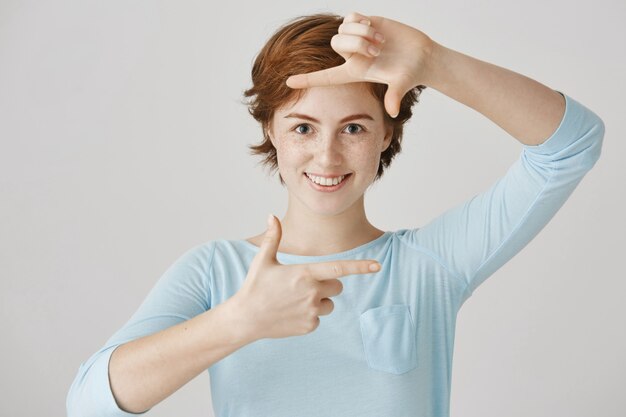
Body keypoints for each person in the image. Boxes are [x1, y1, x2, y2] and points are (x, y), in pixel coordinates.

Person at [66, 11, 605, 417]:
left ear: (386, 134)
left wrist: (433, 62)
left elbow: (572, 143)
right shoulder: (217, 272)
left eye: (354, 127)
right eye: (303, 127)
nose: (326, 156)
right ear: (271, 132)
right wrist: (239, 321)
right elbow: (88, 403)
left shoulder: (429, 263)